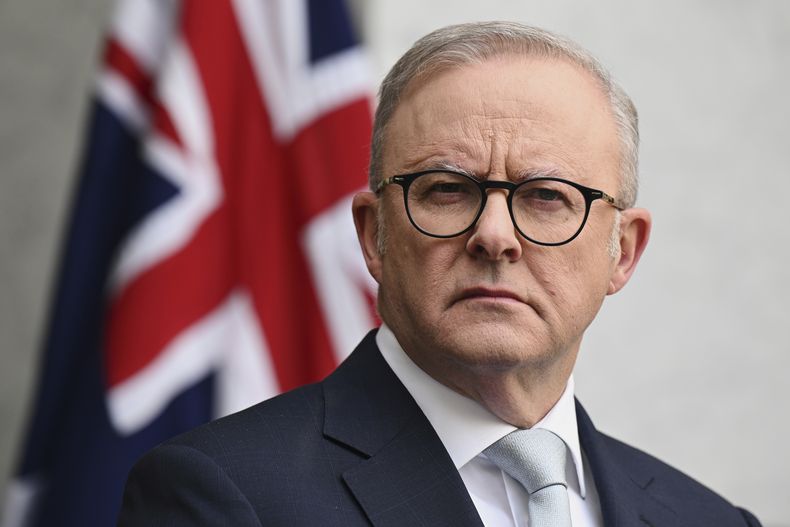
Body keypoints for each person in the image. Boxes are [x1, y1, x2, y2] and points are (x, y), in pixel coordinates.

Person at [118, 22, 761, 526]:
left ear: (623, 251)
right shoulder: (224, 497)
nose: (495, 237)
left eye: (546, 197)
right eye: (447, 190)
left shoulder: (711, 520)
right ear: (375, 236)